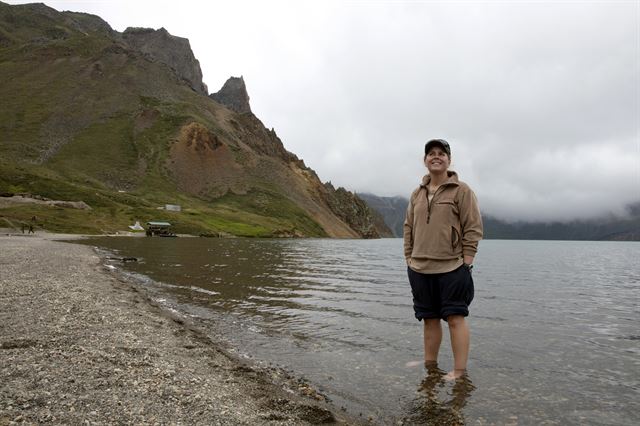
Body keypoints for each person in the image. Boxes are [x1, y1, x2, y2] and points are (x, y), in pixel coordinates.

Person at [403, 139, 483, 380]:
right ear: (425, 160)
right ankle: (430, 365)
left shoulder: (462, 190)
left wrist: (466, 261)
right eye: (431, 154)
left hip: (452, 266)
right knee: (429, 319)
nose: (436, 157)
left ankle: (459, 371)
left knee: (455, 318)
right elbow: (409, 227)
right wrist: (409, 257)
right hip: (419, 267)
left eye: (441, 154)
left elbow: (473, 227)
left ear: (449, 160)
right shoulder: (417, 193)